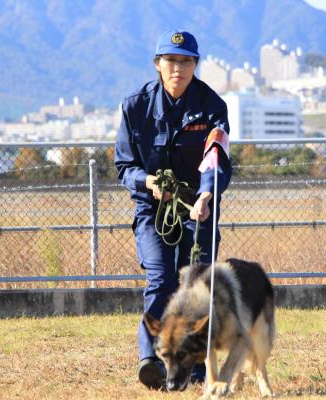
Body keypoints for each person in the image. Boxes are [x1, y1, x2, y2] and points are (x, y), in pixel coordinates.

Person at [114, 29, 232, 390]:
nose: (178, 67)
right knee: (161, 279)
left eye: (186, 61)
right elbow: (123, 166)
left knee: (195, 286)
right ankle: (150, 358)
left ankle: (194, 366)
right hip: (153, 212)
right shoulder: (135, 106)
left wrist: (206, 194)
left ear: (195, 65)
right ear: (157, 64)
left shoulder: (212, 106)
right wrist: (146, 182)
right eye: (171, 61)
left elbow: (217, 156)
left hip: (200, 209)